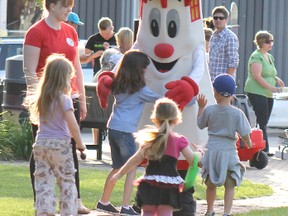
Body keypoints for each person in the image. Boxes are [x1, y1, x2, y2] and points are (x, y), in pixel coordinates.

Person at [23, 0, 89, 214]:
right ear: (51, 6)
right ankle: (42, 203)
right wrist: (39, 102)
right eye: (65, 5)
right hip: (47, 101)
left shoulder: (71, 31)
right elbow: (30, 71)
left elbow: (77, 66)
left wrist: (83, 99)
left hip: (71, 97)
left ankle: (75, 201)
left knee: (70, 149)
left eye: (70, 5)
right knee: (41, 147)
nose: (69, 10)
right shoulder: (36, 32)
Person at [108, 97, 202, 216]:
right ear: (176, 119)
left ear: (155, 118)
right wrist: (200, 152)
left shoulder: (150, 139)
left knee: (147, 212)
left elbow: (135, 159)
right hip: (168, 188)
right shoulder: (179, 140)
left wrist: (118, 175)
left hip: (149, 185)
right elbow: (193, 160)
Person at [96, 50, 161, 215]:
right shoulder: (140, 90)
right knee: (131, 168)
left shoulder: (118, 84)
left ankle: (104, 201)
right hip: (127, 131)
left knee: (117, 167)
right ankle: (125, 206)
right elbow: (159, 98)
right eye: (144, 69)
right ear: (139, 69)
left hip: (113, 128)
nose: (146, 71)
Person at [26, 54, 86, 216]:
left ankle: (45, 211)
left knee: (44, 181)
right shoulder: (64, 99)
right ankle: (68, 212)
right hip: (60, 145)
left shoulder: (41, 99)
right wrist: (80, 144)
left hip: (41, 144)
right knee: (66, 180)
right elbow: (72, 124)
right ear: (64, 78)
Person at [197, 74, 253, 216]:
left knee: (210, 185)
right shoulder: (237, 113)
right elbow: (245, 133)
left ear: (215, 92)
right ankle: (227, 213)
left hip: (212, 152)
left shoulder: (209, 110)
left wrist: (201, 108)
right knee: (230, 185)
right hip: (229, 153)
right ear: (232, 93)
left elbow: (200, 124)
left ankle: (209, 211)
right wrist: (249, 143)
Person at [244, 30, 284, 156]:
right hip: (257, 91)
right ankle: (263, 148)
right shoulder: (256, 56)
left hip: (267, 93)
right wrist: (272, 88)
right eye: (268, 41)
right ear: (261, 42)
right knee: (262, 120)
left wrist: (276, 79)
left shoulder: (269, 56)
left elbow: (270, 73)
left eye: (272, 41)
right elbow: (257, 76)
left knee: (264, 120)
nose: (271, 43)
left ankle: (261, 146)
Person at [209, 6, 239, 81]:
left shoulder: (230, 37)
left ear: (226, 20)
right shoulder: (213, 36)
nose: (218, 20)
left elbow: (233, 62)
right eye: (215, 18)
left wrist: (226, 81)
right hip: (212, 81)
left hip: (223, 82)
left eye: (221, 18)